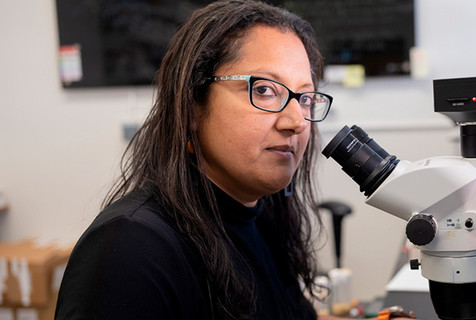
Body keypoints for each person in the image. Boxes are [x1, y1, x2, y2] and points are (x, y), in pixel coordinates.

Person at [55, 1, 414, 319]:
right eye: (264, 90)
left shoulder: (267, 217)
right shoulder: (132, 251)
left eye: (305, 98)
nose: (296, 122)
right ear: (193, 105)